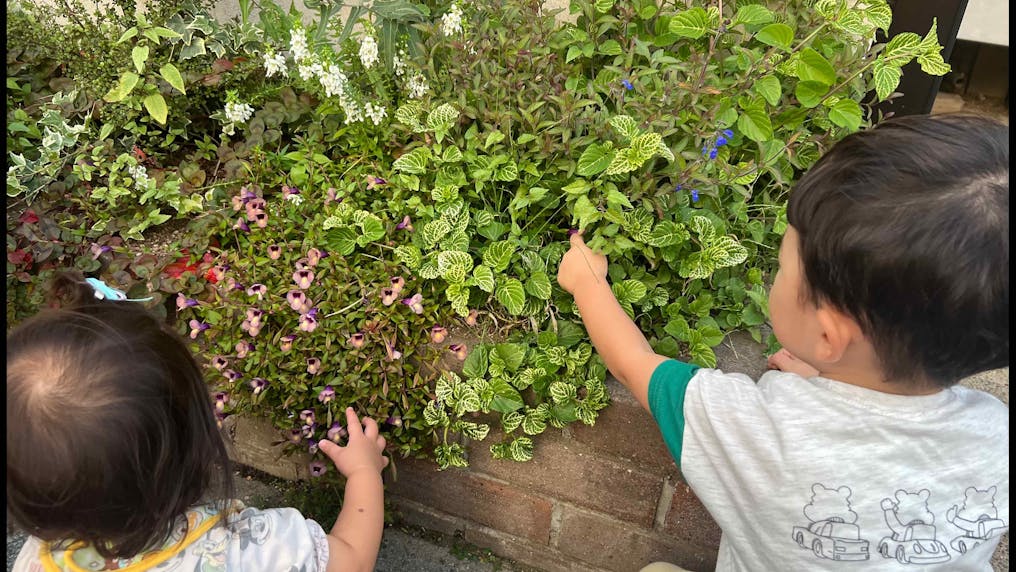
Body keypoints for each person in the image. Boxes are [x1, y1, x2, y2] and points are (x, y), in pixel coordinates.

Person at [557, 113, 1009, 571]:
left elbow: (633, 364)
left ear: (829, 336)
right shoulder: (997, 437)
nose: (775, 275)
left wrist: (588, 282)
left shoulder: (762, 429)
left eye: (781, 265)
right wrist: (830, 375)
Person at [7, 271, 389, 572]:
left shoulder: (36, 562)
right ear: (194, 440)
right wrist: (363, 473)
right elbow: (352, 560)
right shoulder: (253, 549)